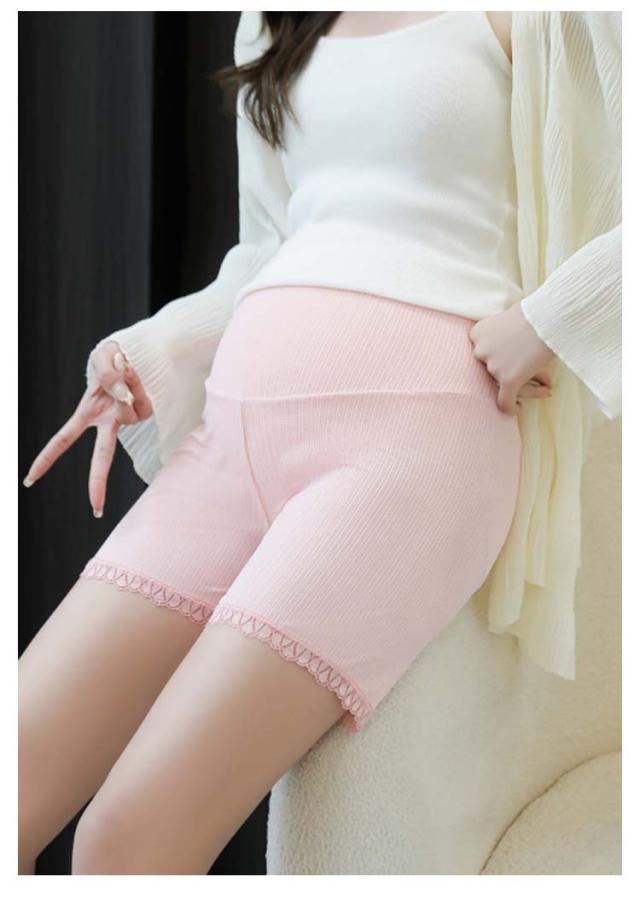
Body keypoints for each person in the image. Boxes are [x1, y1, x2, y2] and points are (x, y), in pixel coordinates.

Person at [19, 11, 621, 875]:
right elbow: (268, 247)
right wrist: (147, 352)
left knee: (122, 842)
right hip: (232, 436)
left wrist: (548, 321)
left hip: (405, 449)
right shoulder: (273, 19)